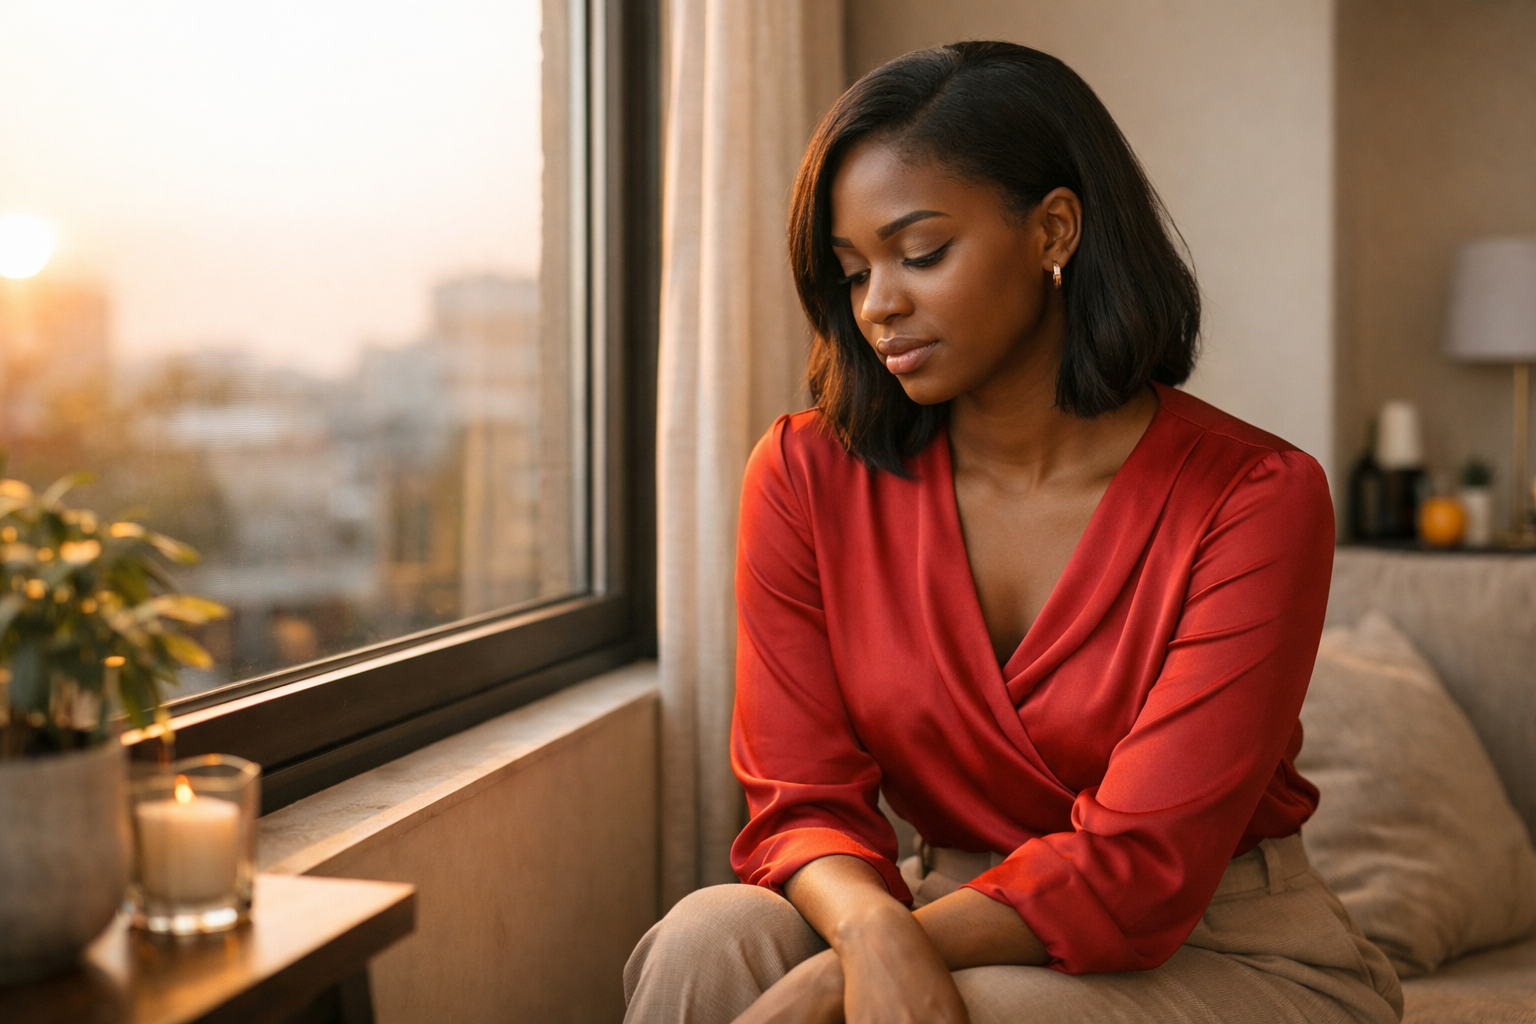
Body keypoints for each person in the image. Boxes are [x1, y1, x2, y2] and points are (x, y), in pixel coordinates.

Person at [624, 41, 1403, 1024]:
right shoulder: (804, 476)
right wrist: (870, 932)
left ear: (1054, 230)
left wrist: (839, 974)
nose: (877, 306)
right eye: (853, 269)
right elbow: (801, 800)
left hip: (1222, 940)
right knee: (709, 937)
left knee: (1000, 1011)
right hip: (936, 901)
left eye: (921, 253)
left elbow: (1142, 867)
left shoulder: (1256, 496)